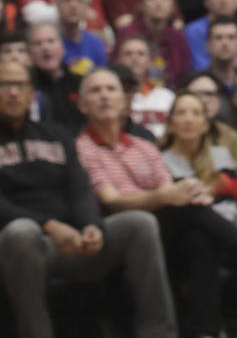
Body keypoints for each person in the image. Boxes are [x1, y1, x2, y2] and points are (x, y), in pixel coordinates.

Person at [75, 67, 237, 337]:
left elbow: (168, 189)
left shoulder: (143, 145)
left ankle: (205, 331)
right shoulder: (82, 147)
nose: (104, 96)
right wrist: (166, 197)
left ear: (124, 100)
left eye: (110, 89)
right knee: (192, 214)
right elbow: (110, 200)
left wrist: (187, 192)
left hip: (165, 227)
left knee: (199, 239)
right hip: (120, 232)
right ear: (82, 104)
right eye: (95, 91)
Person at [0, 56, 177, 338]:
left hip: (74, 241)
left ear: (32, 93)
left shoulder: (58, 135)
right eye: (5, 85)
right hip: (21, 247)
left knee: (140, 224)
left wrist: (91, 225)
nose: (12, 92)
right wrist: (49, 226)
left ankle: (159, 333)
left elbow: (80, 189)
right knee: (21, 232)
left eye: (19, 85)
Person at [114, 0, 192, 90]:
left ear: (172, 5)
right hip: (131, 92)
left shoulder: (178, 37)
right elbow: (116, 68)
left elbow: (185, 74)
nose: (158, 2)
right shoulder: (127, 32)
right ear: (142, 4)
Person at [115, 33, 175, 139]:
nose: (135, 58)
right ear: (119, 60)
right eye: (128, 54)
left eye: (141, 54)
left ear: (150, 61)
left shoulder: (167, 97)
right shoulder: (112, 97)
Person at [55, 0, 108, 70]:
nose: (73, 5)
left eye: (79, 1)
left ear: (87, 7)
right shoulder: (48, 41)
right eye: (67, 0)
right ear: (57, 5)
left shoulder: (95, 43)